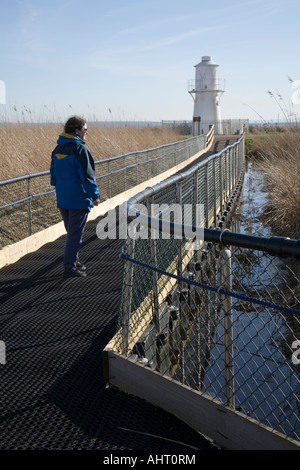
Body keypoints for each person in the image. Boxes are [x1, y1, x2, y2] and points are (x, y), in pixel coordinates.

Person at [50, 116, 100, 278]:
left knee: (71, 232)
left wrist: (58, 186)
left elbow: (53, 174)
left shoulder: (57, 149)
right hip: (78, 198)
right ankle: (69, 267)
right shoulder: (80, 149)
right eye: (85, 130)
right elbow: (87, 176)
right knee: (75, 235)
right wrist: (95, 195)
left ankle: (74, 260)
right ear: (77, 131)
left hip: (63, 198)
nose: (87, 133)